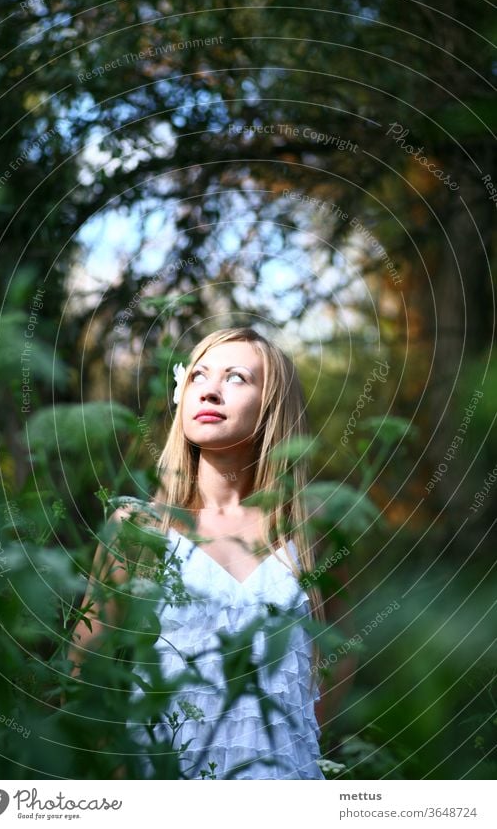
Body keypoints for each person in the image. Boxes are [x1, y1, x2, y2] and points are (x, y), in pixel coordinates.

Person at [68, 326, 355, 779]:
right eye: (198, 375)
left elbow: (342, 651)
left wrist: (301, 751)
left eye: (237, 377)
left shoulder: (311, 530)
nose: (211, 391)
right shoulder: (139, 529)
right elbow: (84, 668)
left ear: (272, 407)